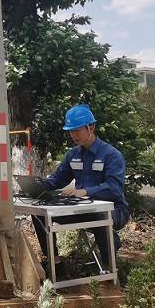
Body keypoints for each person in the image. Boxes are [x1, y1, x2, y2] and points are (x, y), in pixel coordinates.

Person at [32, 104, 130, 270]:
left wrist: (84, 192)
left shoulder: (111, 155)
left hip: (115, 210)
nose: (74, 135)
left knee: (100, 216)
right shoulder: (73, 155)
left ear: (91, 127)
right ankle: (55, 263)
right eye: (71, 131)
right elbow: (57, 179)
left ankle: (108, 268)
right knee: (39, 214)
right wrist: (37, 187)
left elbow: (114, 189)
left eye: (77, 130)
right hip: (81, 210)